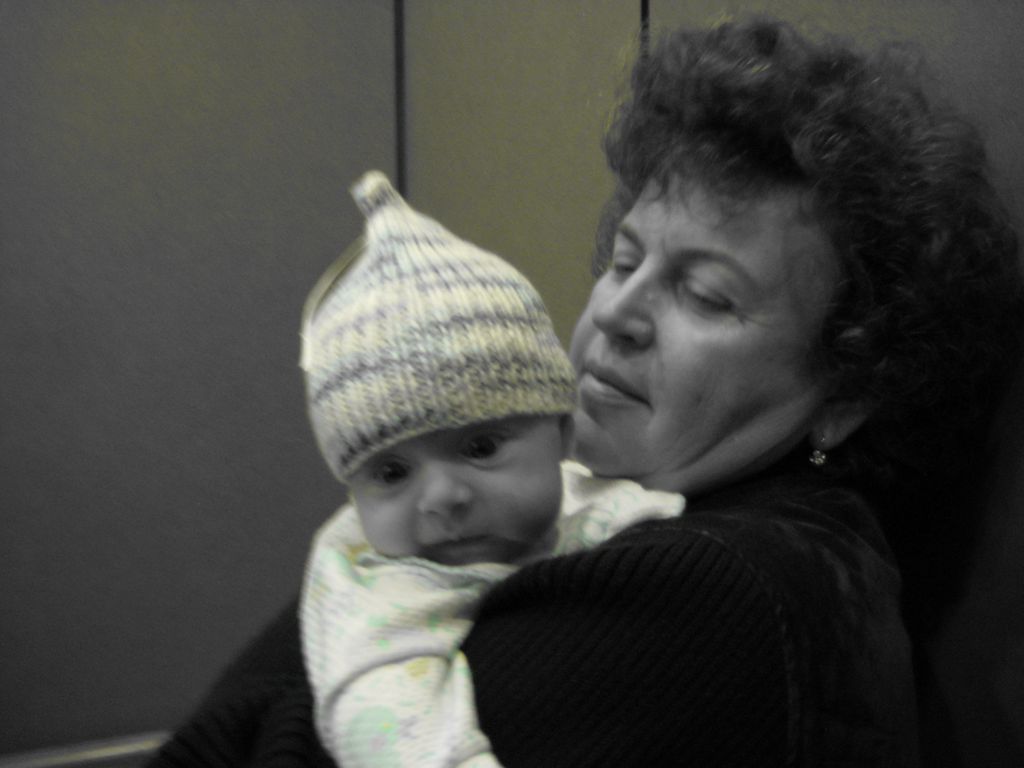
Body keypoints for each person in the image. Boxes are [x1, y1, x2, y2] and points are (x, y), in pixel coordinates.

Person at [148, 16, 1024, 768]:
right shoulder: (636, 508)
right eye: (625, 260)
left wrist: (360, 569)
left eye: (705, 295)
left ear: (846, 389)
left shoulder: (715, 587)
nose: (618, 313)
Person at [298, 171, 683, 767]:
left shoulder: (592, 499)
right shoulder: (384, 603)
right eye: (392, 473)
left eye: (479, 447)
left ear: (562, 434)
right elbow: (394, 736)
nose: (441, 498)